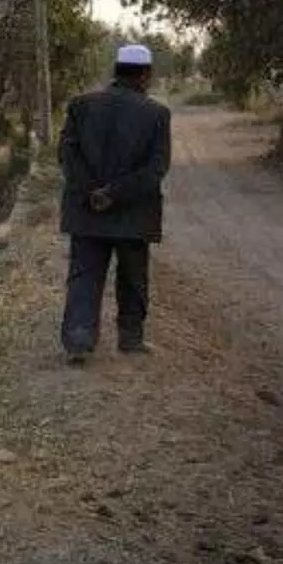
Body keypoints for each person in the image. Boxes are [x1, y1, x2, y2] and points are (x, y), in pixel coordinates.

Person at [57, 43, 172, 362]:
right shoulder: (157, 114)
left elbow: (67, 156)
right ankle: (131, 339)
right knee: (133, 278)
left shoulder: (80, 105)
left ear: (116, 71)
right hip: (133, 213)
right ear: (146, 75)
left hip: (87, 211)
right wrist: (115, 193)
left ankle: (79, 341)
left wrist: (92, 192)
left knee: (85, 276)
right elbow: (156, 168)